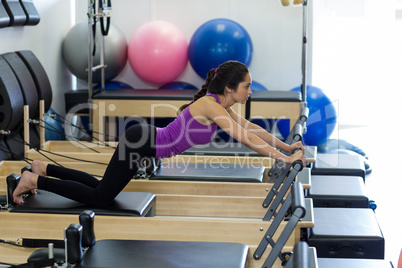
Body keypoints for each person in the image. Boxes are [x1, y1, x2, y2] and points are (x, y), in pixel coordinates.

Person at [13, 60, 305, 207]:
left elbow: (252, 130)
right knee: (102, 197)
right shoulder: (210, 105)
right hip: (141, 142)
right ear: (231, 88)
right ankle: (34, 179)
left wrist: (287, 148)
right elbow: (246, 139)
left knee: (101, 188)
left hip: (145, 142)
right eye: (247, 87)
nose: (250, 91)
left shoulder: (219, 105)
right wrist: (283, 157)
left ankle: (43, 167)